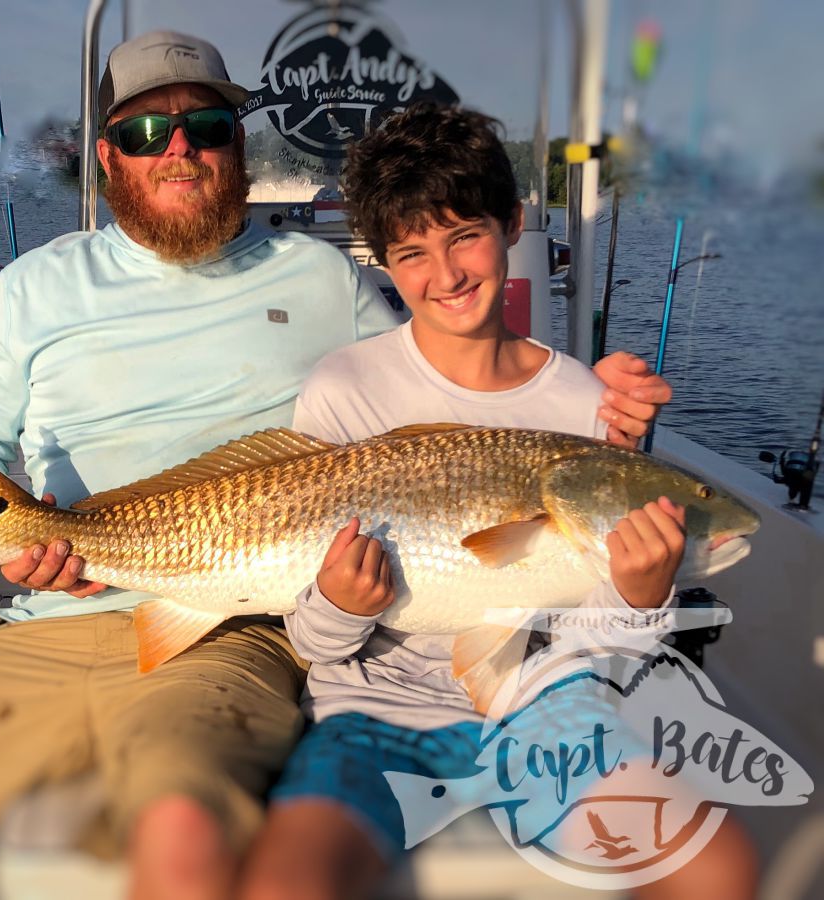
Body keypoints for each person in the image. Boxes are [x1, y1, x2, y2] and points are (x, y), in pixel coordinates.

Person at [0, 34, 671, 900]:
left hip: (233, 628)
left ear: (238, 144)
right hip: (29, 621)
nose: (177, 149)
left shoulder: (326, 282)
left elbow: (447, 426)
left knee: (184, 842)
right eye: (146, 131)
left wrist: (597, 399)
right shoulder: (32, 287)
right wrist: (7, 552)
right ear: (107, 158)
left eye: (207, 126)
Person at [238, 104, 757, 900]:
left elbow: (605, 654)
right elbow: (314, 643)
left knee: (717, 871)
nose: (444, 275)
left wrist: (641, 599)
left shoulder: (590, 404)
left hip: (550, 717)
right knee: (286, 884)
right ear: (380, 259)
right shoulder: (345, 389)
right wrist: (342, 604)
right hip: (373, 717)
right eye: (411, 253)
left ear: (512, 223)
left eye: (463, 237)